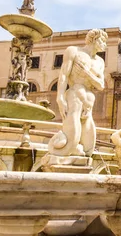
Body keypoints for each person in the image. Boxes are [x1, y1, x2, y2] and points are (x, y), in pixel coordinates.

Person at [48, 29, 107, 157]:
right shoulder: (73, 51)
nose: (105, 44)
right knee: (73, 122)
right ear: (94, 39)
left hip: (89, 98)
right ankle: (67, 149)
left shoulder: (100, 62)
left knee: (88, 130)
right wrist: (60, 97)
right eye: (102, 41)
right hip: (75, 92)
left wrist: (87, 74)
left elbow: (101, 85)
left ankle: (82, 151)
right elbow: (63, 75)